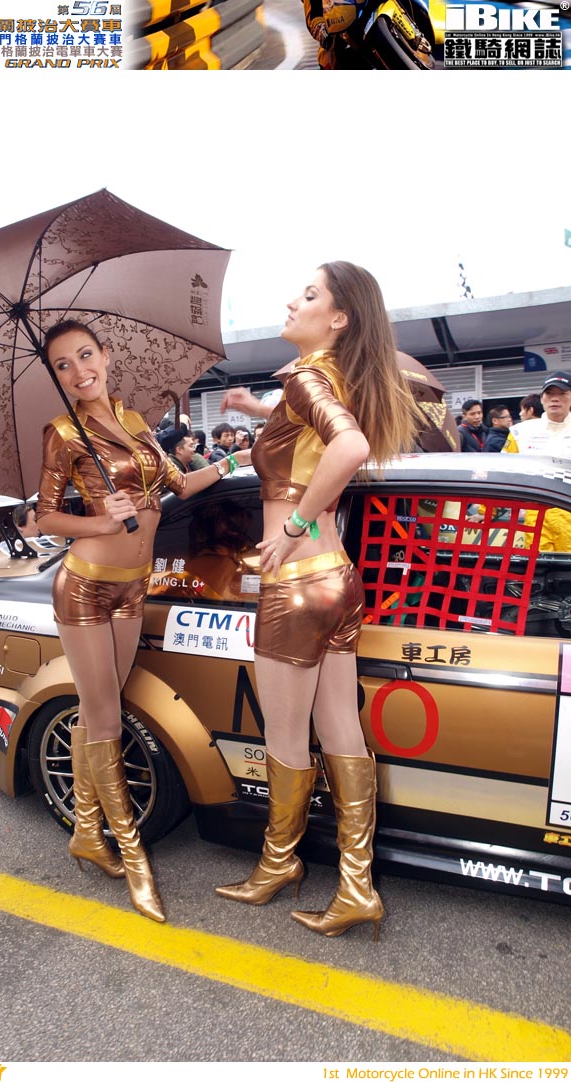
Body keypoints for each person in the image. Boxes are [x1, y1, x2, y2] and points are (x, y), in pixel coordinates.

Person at [215, 262, 418, 941]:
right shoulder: (331, 377)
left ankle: (279, 863)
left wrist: (294, 525)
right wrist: (256, 412)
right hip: (338, 579)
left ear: (338, 319)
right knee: (341, 731)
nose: (291, 302)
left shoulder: (308, 377)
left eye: (308, 295)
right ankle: (357, 885)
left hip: (298, 583)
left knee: (285, 735)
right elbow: (314, 440)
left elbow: (348, 446)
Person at [35, 320, 250, 923]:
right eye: (63, 365)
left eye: (86, 355)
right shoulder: (62, 434)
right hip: (85, 586)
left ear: (105, 356)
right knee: (104, 715)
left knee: (98, 710)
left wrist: (234, 460)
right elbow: (46, 515)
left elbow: (178, 484)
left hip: (135, 586)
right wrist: (102, 520)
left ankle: (85, 831)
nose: (79, 371)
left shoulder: (134, 422)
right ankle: (132, 857)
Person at [502, 372, 571, 551]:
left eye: (562, 393)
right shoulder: (521, 432)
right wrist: (484, 512)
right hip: (536, 515)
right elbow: (503, 472)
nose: (555, 398)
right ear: (542, 398)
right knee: (539, 566)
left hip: (569, 514)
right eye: (549, 393)